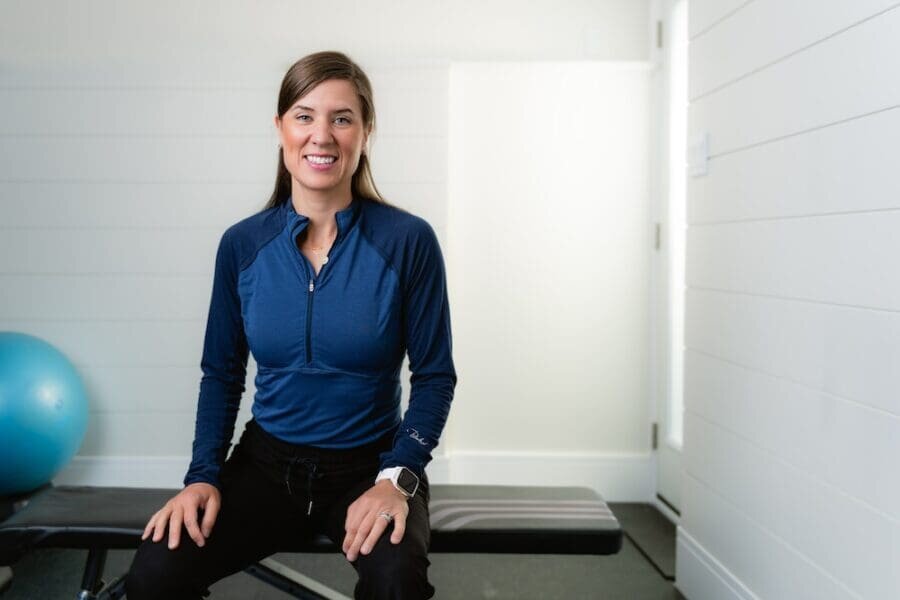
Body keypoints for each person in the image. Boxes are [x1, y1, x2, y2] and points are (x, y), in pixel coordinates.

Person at [125, 51, 456, 600]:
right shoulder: (242, 246)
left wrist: (398, 477)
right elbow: (221, 373)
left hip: (369, 466)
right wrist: (202, 476)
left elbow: (436, 375)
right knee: (156, 575)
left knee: (397, 583)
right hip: (265, 466)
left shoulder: (407, 241)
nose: (321, 136)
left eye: (342, 118)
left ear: (365, 132)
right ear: (279, 127)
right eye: (304, 116)